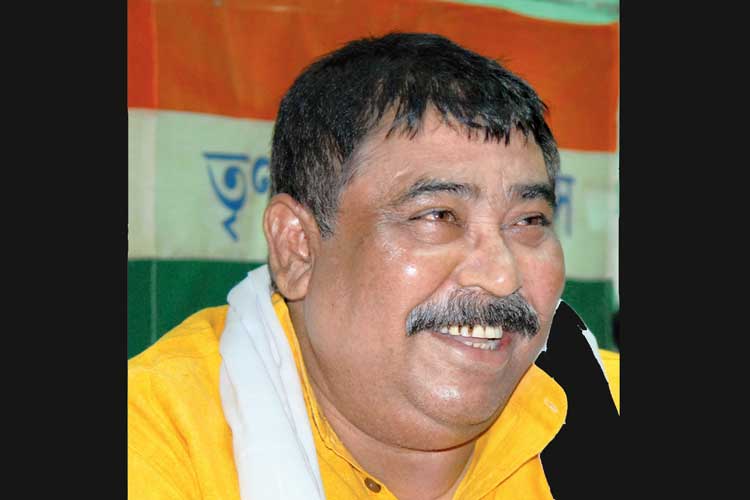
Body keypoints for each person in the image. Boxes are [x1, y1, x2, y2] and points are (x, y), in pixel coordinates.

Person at [128, 32, 620, 500]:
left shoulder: (607, 409)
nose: (501, 275)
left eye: (529, 220)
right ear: (297, 248)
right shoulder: (156, 438)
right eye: (437, 216)